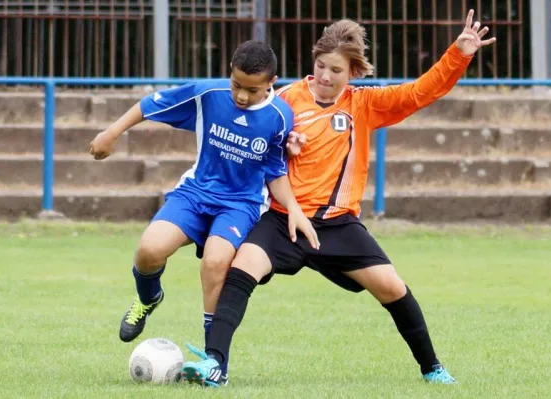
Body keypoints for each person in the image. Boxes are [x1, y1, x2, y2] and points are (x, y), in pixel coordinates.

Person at [181, 10, 496, 386]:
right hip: (284, 218)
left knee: (392, 288)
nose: (327, 77)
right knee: (242, 268)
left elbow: (420, 92)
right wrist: (283, 145)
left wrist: (459, 54)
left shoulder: (364, 105)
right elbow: (254, 144)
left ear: (353, 74)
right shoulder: (283, 102)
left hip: (338, 225)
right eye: (321, 67)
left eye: (337, 70)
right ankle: (216, 364)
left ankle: (432, 369)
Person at [89, 40, 319, 385]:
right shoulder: (207, 94)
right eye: (236, 85)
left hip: (240, 203)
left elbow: (275, 171)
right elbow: (150, 104)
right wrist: (111, 133)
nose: (241, 96)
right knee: (148, 251)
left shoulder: (279, 117)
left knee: (215, 262)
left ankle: (215, 363)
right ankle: (147, 299)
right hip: (195, 192)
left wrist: (294, 209)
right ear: (229, 72)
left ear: (271, 83)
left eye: (252, 90)